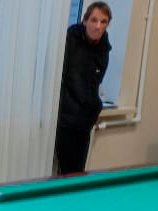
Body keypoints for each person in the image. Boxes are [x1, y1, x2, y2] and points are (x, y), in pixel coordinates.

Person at [55, 2, 112, 175]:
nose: (98, 26)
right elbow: (71, 80)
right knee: (70, 172)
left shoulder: (104, 48)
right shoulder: (70, 40)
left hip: (85, 122)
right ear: (85, 21)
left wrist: (94, 108)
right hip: (66, 120)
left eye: (103, 21)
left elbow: (95, 82)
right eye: (94, 20)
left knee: (78, 172)